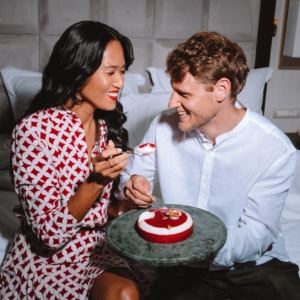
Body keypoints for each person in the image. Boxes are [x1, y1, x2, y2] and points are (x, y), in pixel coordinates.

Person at [117, 31, 300, 299]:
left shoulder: (276, 149)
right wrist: (131, 187)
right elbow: (129, 182)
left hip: (256, 267)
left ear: (221, 90)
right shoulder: (161, 126)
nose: (171, 103)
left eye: (183, 93)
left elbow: (257, 233)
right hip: (183, 268)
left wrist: (199, 245)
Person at [0, 21, 149, 300]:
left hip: (96, 251)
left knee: (126, 293)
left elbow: (100, 212)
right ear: (78, 72)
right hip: (46, 259)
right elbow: (50, 235)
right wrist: (96, 180)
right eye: (110, 72)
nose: (120, 82)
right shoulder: (33, 132)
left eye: (122, 72)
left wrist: (125, 203)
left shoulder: (107, 125)